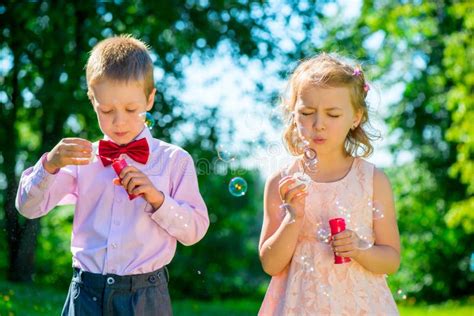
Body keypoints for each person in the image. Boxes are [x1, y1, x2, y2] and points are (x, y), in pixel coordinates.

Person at [16, 35, 209, 315]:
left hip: (145, 297)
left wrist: (157, 198)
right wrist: (49, 166)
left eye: (131, 109)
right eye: (106, 110)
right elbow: (28, 208)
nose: (119, 122)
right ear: (92, 100)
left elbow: (194, 230)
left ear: (150, 98)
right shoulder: (81, 159)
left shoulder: (174, 161)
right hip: (85, 293)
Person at [258, 53, 400, 315]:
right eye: (307, 112)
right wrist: (293, 216)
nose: (318, 124)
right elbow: (270, 264)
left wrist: (360, 250)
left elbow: (391, 259)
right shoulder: (283, 182)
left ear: (356, 117)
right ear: (293, 113)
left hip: (360, 304)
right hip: (299, 305)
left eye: (333, 114)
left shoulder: (372, 180)